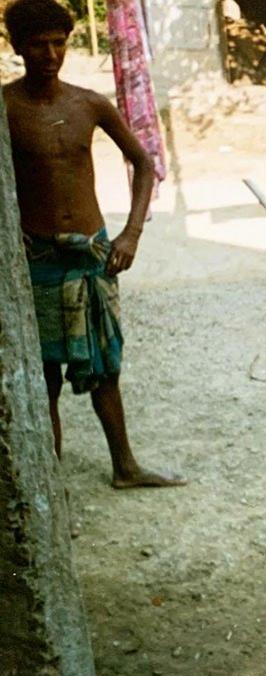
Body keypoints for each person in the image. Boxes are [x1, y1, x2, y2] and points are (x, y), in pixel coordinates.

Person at [3, 0, 185, 488]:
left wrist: (131, 233)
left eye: (59, 42)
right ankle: (50, 487)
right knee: (44, 380)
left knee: (106, 368)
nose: (50, 53)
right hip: (36, 260)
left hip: (92, 256)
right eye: (39, 44)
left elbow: (144, 163)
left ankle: (125, 465)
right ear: (17, 46)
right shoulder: (5, 108)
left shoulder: (89, 103)